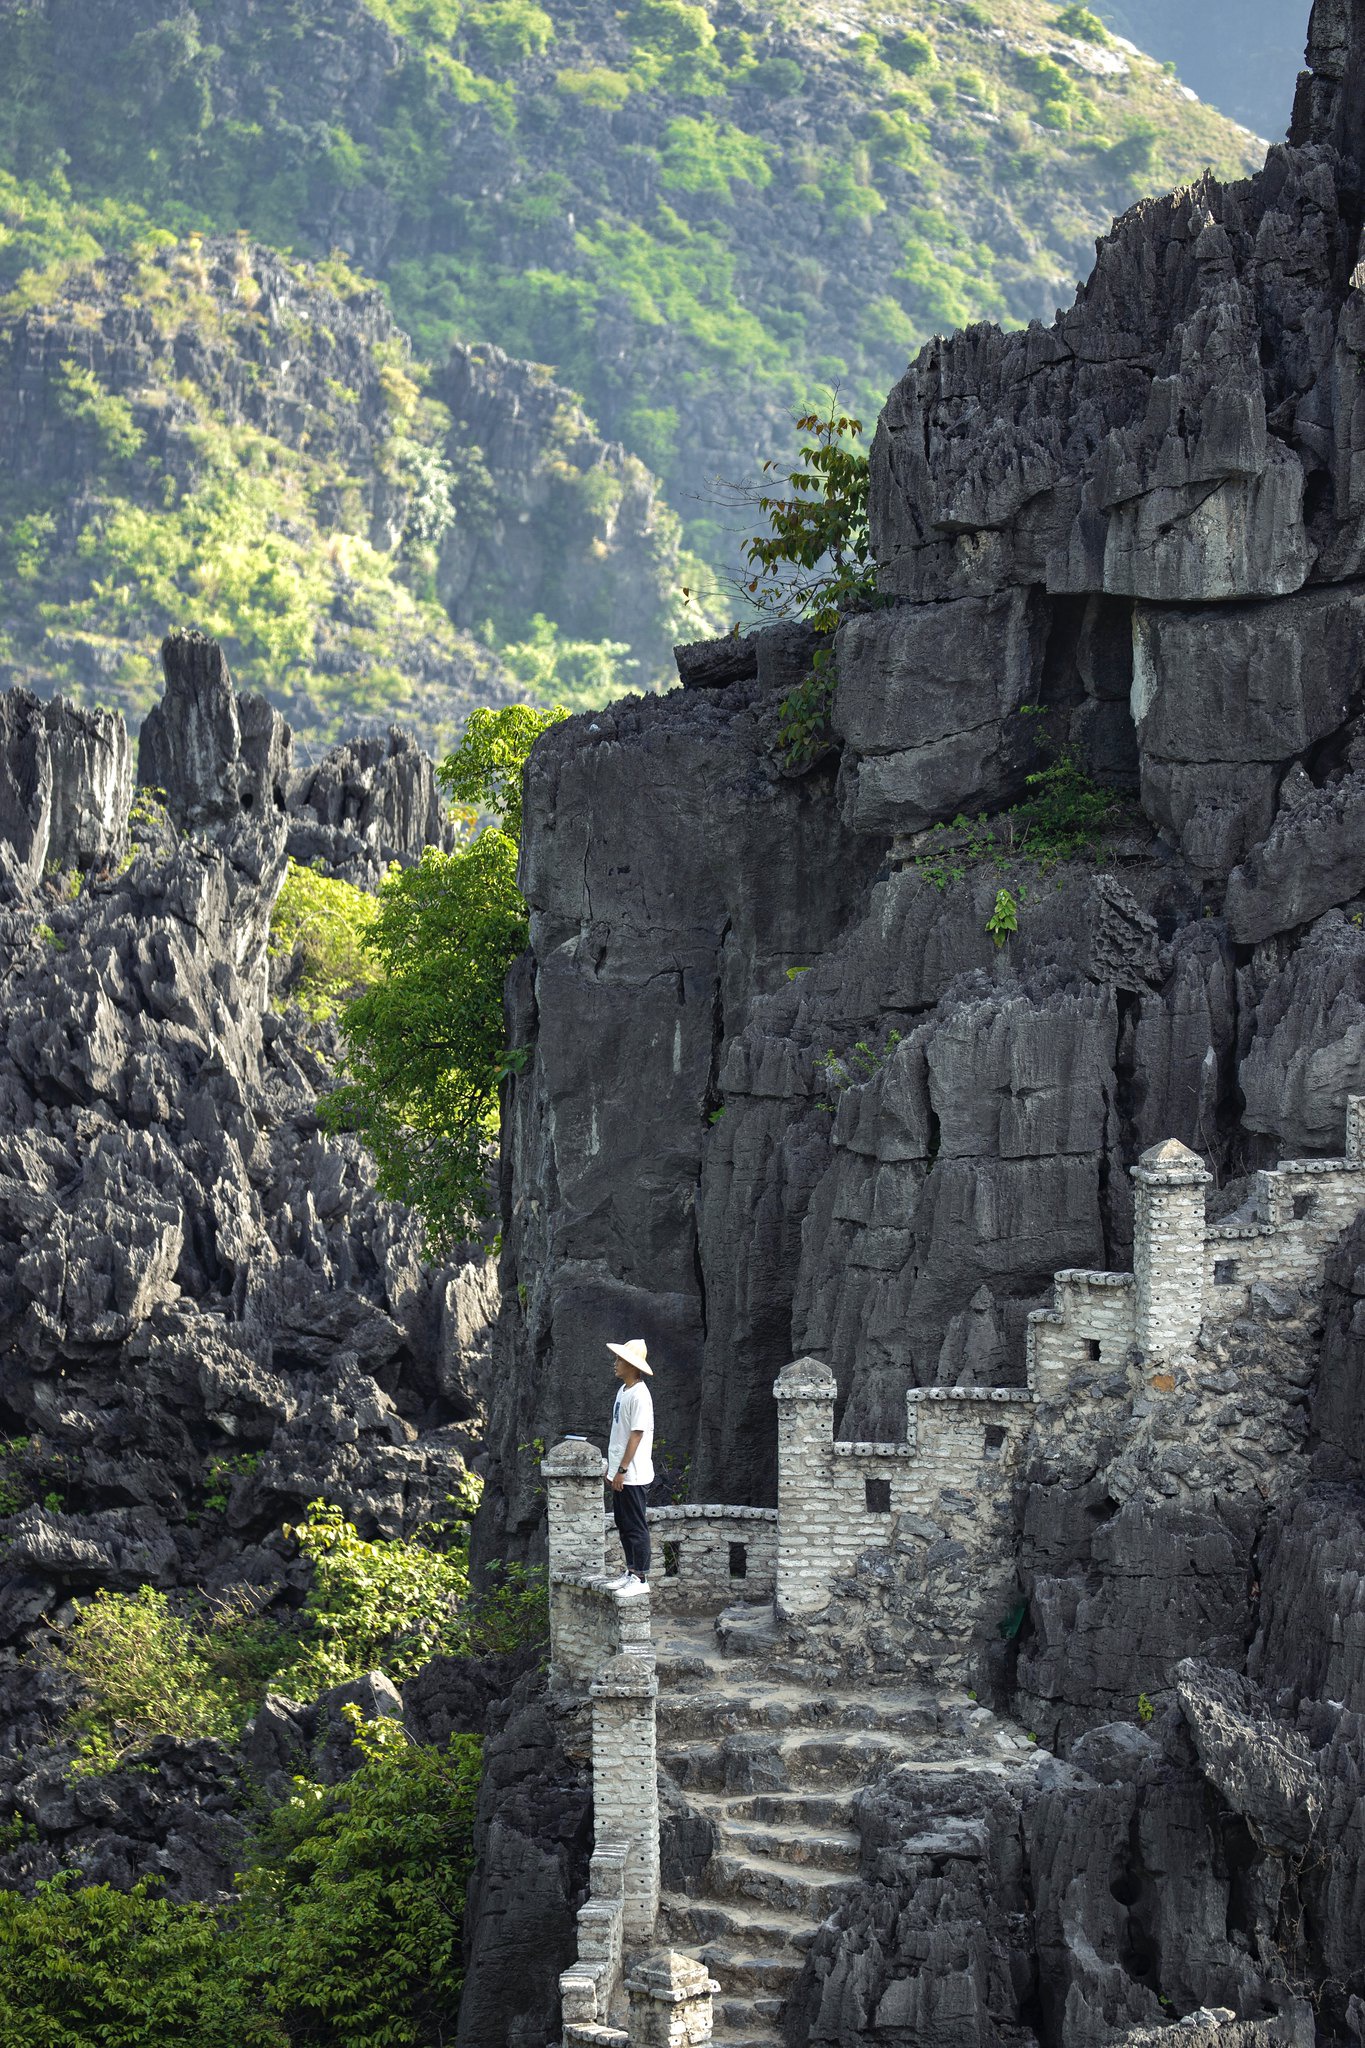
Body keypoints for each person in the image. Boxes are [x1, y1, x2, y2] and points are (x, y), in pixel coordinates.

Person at [605, 1337, 654, 1587]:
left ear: (632, 1366)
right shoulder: (623, 1390)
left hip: (633, 1474)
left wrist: (622, 1470)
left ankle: (641, 1576)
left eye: (619, 1360)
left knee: (636, 1525)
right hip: (620, 1473)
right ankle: (631, 1570)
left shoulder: (640, 1395)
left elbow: (636, 1434)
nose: (615, 1364)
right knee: (623, 1523)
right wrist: (614, 1470)